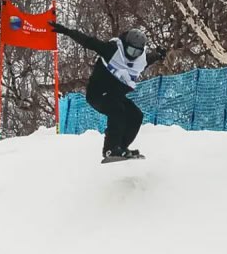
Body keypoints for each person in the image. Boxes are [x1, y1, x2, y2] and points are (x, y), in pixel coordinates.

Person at [49, 21, 167, 162]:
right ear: (125, 45)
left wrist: (158, 55)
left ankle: (121, 148)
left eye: (136, 52)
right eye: (130, 50)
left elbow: (149, 59)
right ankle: (110, 150)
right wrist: (66, 31)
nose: (132, 55)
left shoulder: (139, 60)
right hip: (98, 94)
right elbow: (88, 41)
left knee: (136, 115)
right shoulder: (112, 50)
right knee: (117, 110)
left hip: (115, 95)